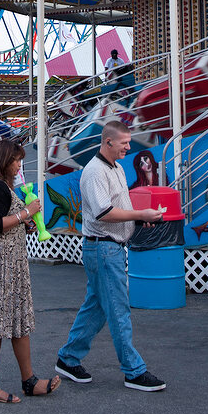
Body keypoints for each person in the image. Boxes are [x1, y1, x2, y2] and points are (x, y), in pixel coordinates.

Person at [56, 119, 167, 392]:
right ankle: (133, 370)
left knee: (97, 307)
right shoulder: (95, 171)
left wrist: (138, 220)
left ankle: (68, 358)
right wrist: (140, 215)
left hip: (108, 247)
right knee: (117, 309)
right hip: (104, 248)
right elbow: (104, 212)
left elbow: (116, 207)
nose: (128, 147)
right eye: (124, 143)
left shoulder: (115, 167)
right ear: (108, 142)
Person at [0, 139, 60, 403]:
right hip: (1, 266)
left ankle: (20, 381)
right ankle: (9, 383)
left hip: (9, 264)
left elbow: (0, 222)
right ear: (5, 161)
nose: (19, 165)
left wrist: (24, 224)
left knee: (11, 322)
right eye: (16, 160)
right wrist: (26, 214)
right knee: (2, 323)